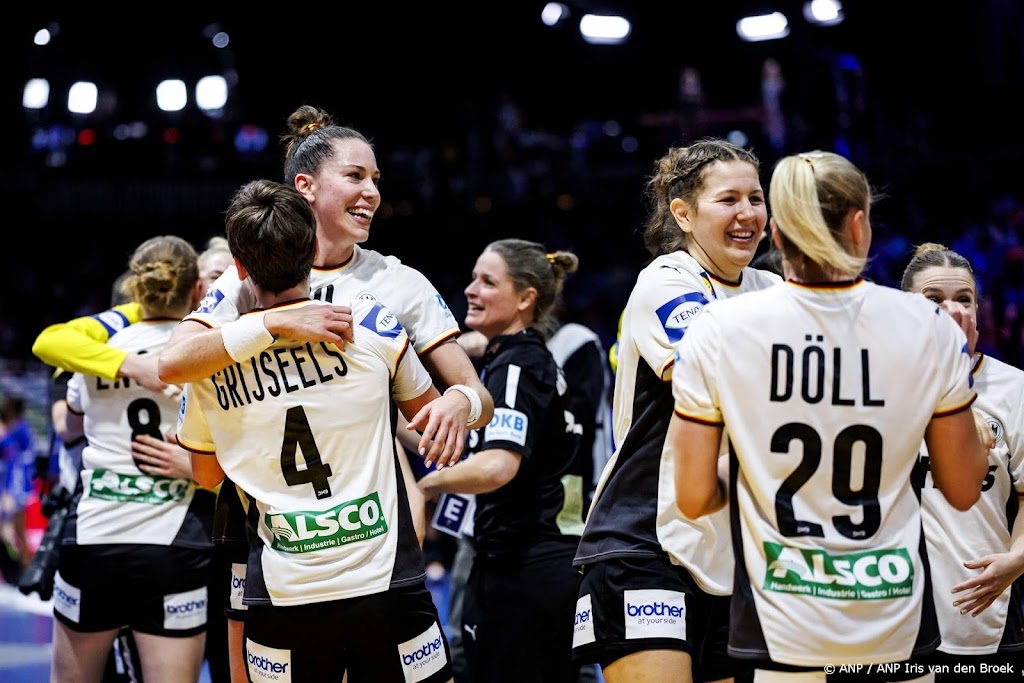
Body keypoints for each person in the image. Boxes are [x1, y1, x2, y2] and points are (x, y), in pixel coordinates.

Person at [157, 104, 493, 682]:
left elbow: (473, 394)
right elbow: (174, 360)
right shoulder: (247, 281)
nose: (372, 193)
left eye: (376, 179)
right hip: (269, 528)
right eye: (355, 176)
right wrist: (276, 322)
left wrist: (460, 402)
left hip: (368, 531)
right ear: (305, 186)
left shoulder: (398, 283)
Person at [669, 150, 991, 677]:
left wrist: (756, 471)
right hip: (894, 613)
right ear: (860, 225)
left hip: (780, 619)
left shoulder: (719, 328)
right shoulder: (926, 326)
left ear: (777, 232)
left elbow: (693, 496)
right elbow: (961, 490)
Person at [571, 139, 781, 683]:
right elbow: (708, 374)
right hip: (643, 538)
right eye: (728, 200)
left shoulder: (773, 289)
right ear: (683, 214)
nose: (747, 213)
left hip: (732, 551)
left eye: (756, 198)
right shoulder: (669, 278)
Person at [417, 238, 584, 682]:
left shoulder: (516, 367)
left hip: (521, 567)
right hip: (543, 564)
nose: (471, 290)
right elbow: (457, 446)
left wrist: (425, 486)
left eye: (488, 282)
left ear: (525, 299)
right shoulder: (522, 360)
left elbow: (497, 466)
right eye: (473, 278)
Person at [51, 235, 215, 683]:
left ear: (134, 287)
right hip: (173, 541)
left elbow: (70, 426)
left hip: (94, 534)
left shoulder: (101, 352)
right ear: (197, 288)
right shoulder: (206, 352)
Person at [901, 243, 1024, 672]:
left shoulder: (1015, 389)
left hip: (981, 612)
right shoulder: (876, 385)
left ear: (978, 313)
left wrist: (1018, 559)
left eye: (964, 299)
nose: (951, 310)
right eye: (933, 299)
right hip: (889, 614)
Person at [0, 394, 38, 572]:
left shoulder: (16, 431)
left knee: (15, 530)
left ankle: (23, 569)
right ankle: (21, 568)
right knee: (16, 531)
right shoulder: (21, 428)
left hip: (15, 486)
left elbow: (14, 463)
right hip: (17, 485)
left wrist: (10, 491)